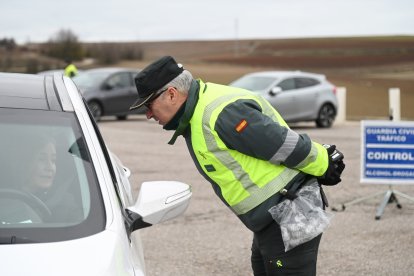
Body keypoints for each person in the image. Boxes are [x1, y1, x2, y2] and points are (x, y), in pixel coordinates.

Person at [129, 56, 345, 276]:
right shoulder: (196, 115)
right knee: (264, 268)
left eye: (149, 105)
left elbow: (282, 144)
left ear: (172, 94)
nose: (147, 114)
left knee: (282, 270)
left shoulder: (221, 114)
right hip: (271, 220)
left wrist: (326, 163)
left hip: (290, 212)